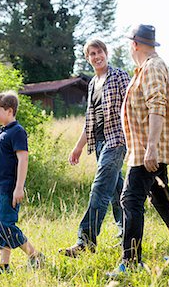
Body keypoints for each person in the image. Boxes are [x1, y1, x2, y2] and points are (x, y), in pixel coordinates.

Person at [111, 24, 169, 274]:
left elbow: (157, 106)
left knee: (130, 200)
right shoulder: (146, 68)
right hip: (144, 148)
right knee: (161, 197)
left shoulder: (153, 67)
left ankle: (131, 262)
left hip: (148, 151)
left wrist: (151, 148)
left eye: (129, 43)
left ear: (134, 44)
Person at [60, 39, 130, 257]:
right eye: (92, 53)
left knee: (99, 189)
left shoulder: (119, 76)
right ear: (87, 58)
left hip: (117, 140)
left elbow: (134, 107)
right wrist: (78, 147)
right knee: (118, 191)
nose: (96, 56)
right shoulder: (92, 84)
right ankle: (127, 233)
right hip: (99, 143)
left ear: (106, 53)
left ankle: (85, 241)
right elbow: (90, 120)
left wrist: (139, 140)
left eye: (99, 52)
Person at [0, 91, 44, 276]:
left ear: (10, 110)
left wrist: (19, 187)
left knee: (5, 224)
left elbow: (23, 159)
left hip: (8, 189)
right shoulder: (2, 132)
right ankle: (4, 266)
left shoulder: (17, 132)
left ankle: (35, 255)